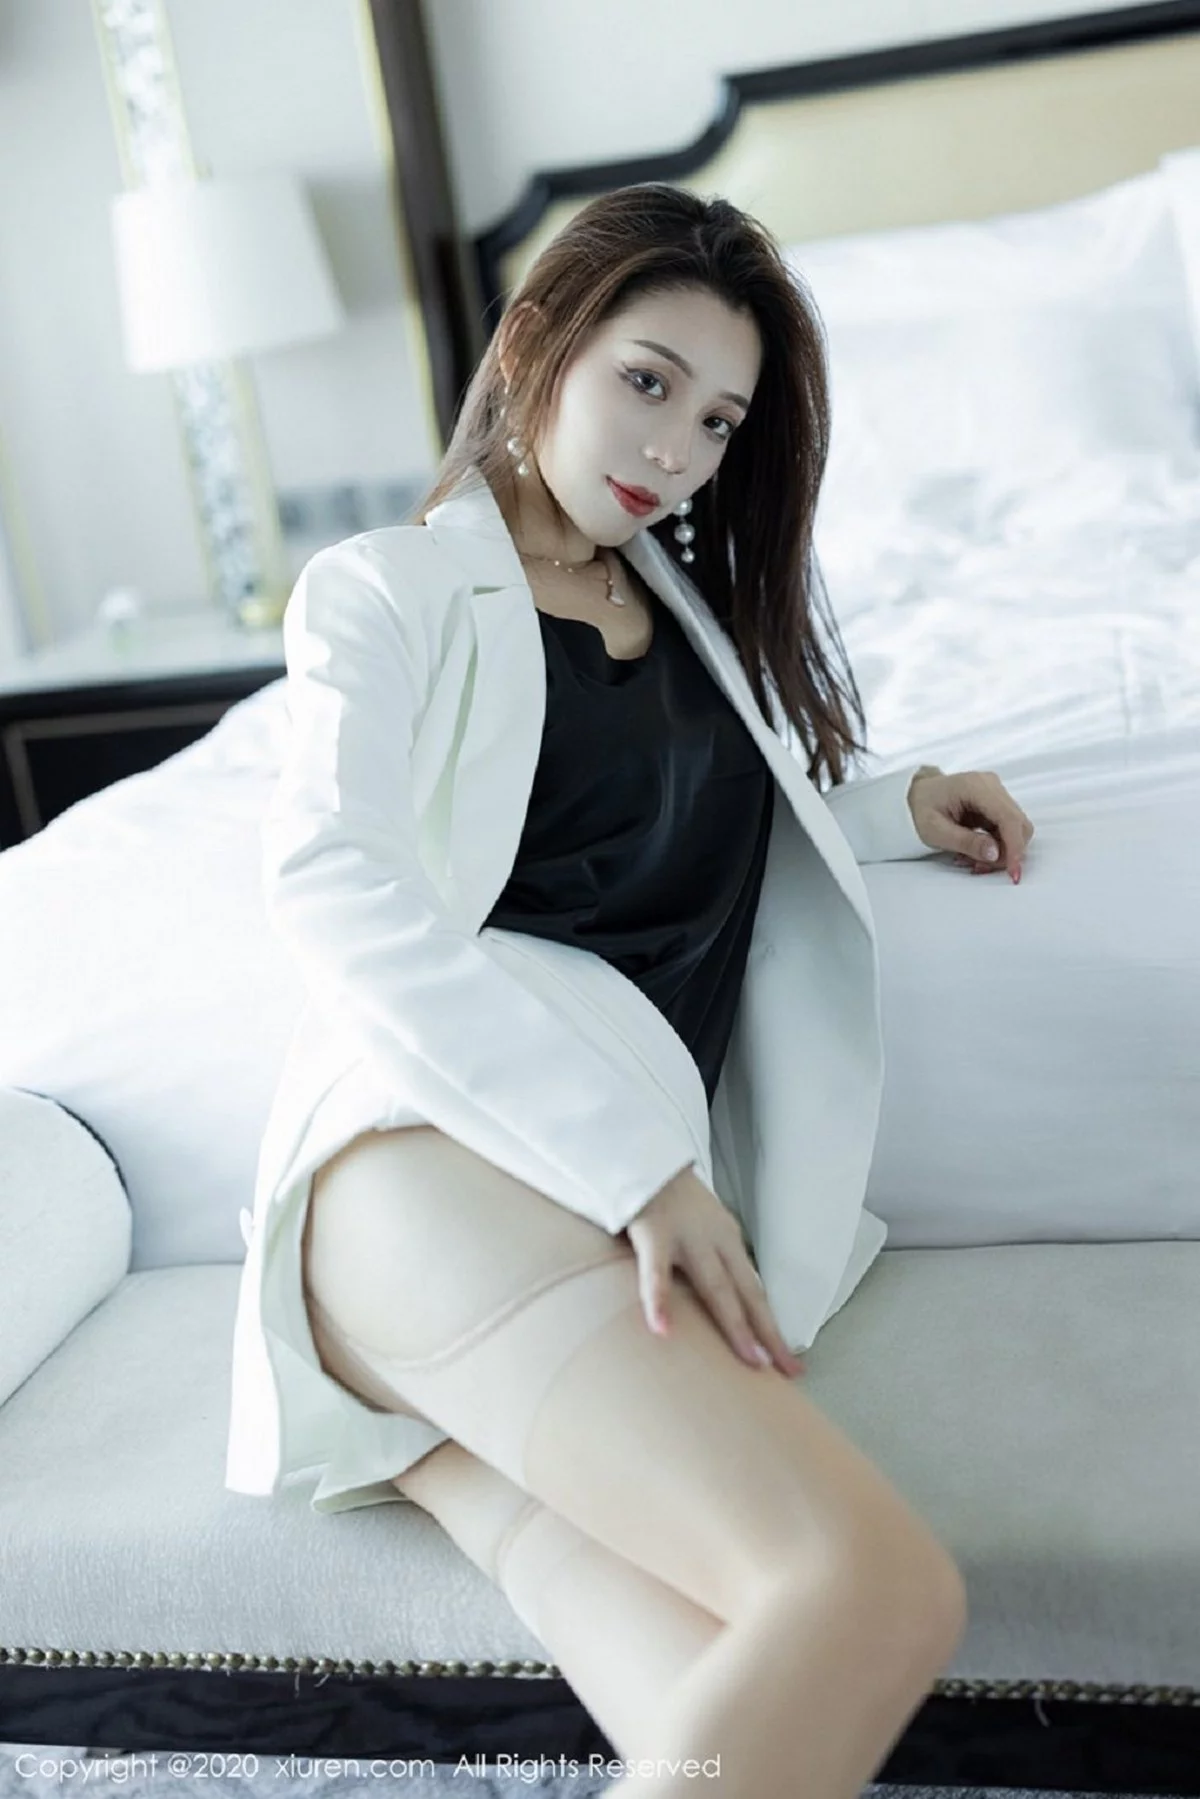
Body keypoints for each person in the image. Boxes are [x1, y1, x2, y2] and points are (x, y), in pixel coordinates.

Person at [226, 182, 1001, 1799]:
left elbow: (696, 815)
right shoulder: (388, 586)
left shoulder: (685, 607)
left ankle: (437, 1444)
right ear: (533, 344)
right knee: (871, 1589)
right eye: (646, 381)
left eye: (717, 420)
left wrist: (899, 803)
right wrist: (639, 1172)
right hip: (437, 1156)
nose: (677, 448)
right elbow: (331, 878)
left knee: (709, 1730)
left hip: (510, 1239)